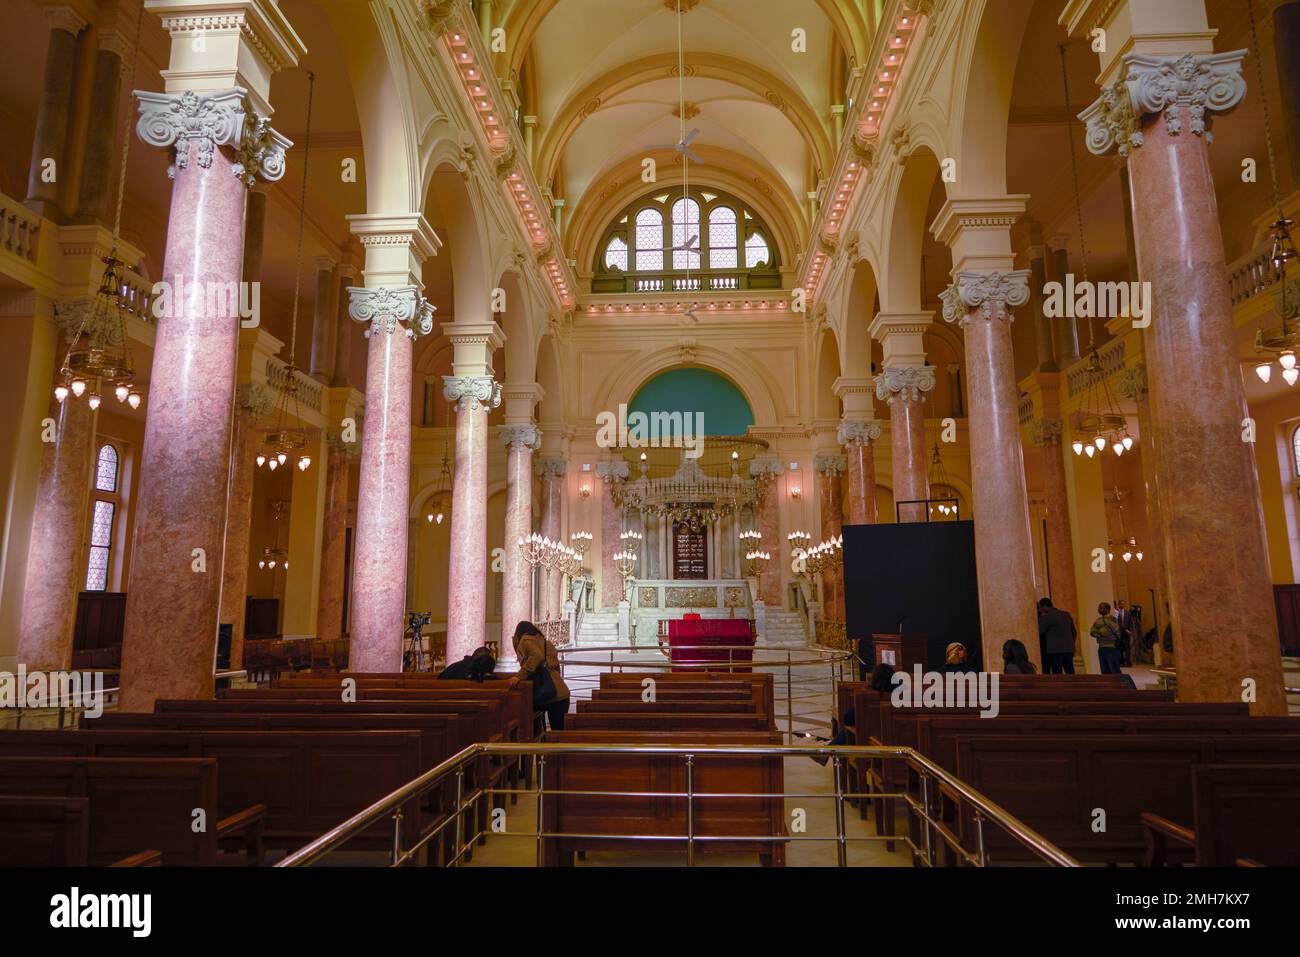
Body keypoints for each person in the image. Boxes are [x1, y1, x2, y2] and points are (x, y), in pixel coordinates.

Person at [508, 621, 570, 731]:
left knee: (525, 718)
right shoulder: (545, 642)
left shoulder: (525, 640)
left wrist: (519, 676)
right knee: (558, 734)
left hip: (547, 695)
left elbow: (537, 656)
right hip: (561, 693)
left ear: (519, 632)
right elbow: (556, 667)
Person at [1037, 597, 1077, 674]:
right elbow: (1074, 632)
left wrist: (1040, 618)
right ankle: (1073, 686)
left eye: (1040, 607)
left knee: (1057, 674)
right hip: (1069, 649)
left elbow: (1040, 630)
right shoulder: (1066, 614)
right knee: (1070, 672)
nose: (1039, 610)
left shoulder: (1048, 617)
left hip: (1055, 650)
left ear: (1045, 606)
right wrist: (1071, 644)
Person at [1090, 602, 1124, 674]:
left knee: (1114, 670)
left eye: (1101, 608)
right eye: (1099, 608)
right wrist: (1099, 633)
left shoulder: (1112, 619)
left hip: (1112, 647)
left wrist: (1099, 631)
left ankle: (1117, 684)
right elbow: (1092, 631)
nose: (1099, 609)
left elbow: (1106, 632)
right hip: (1102, 647)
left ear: (1107, 609)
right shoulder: (1098, 620)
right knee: (1104, 670)